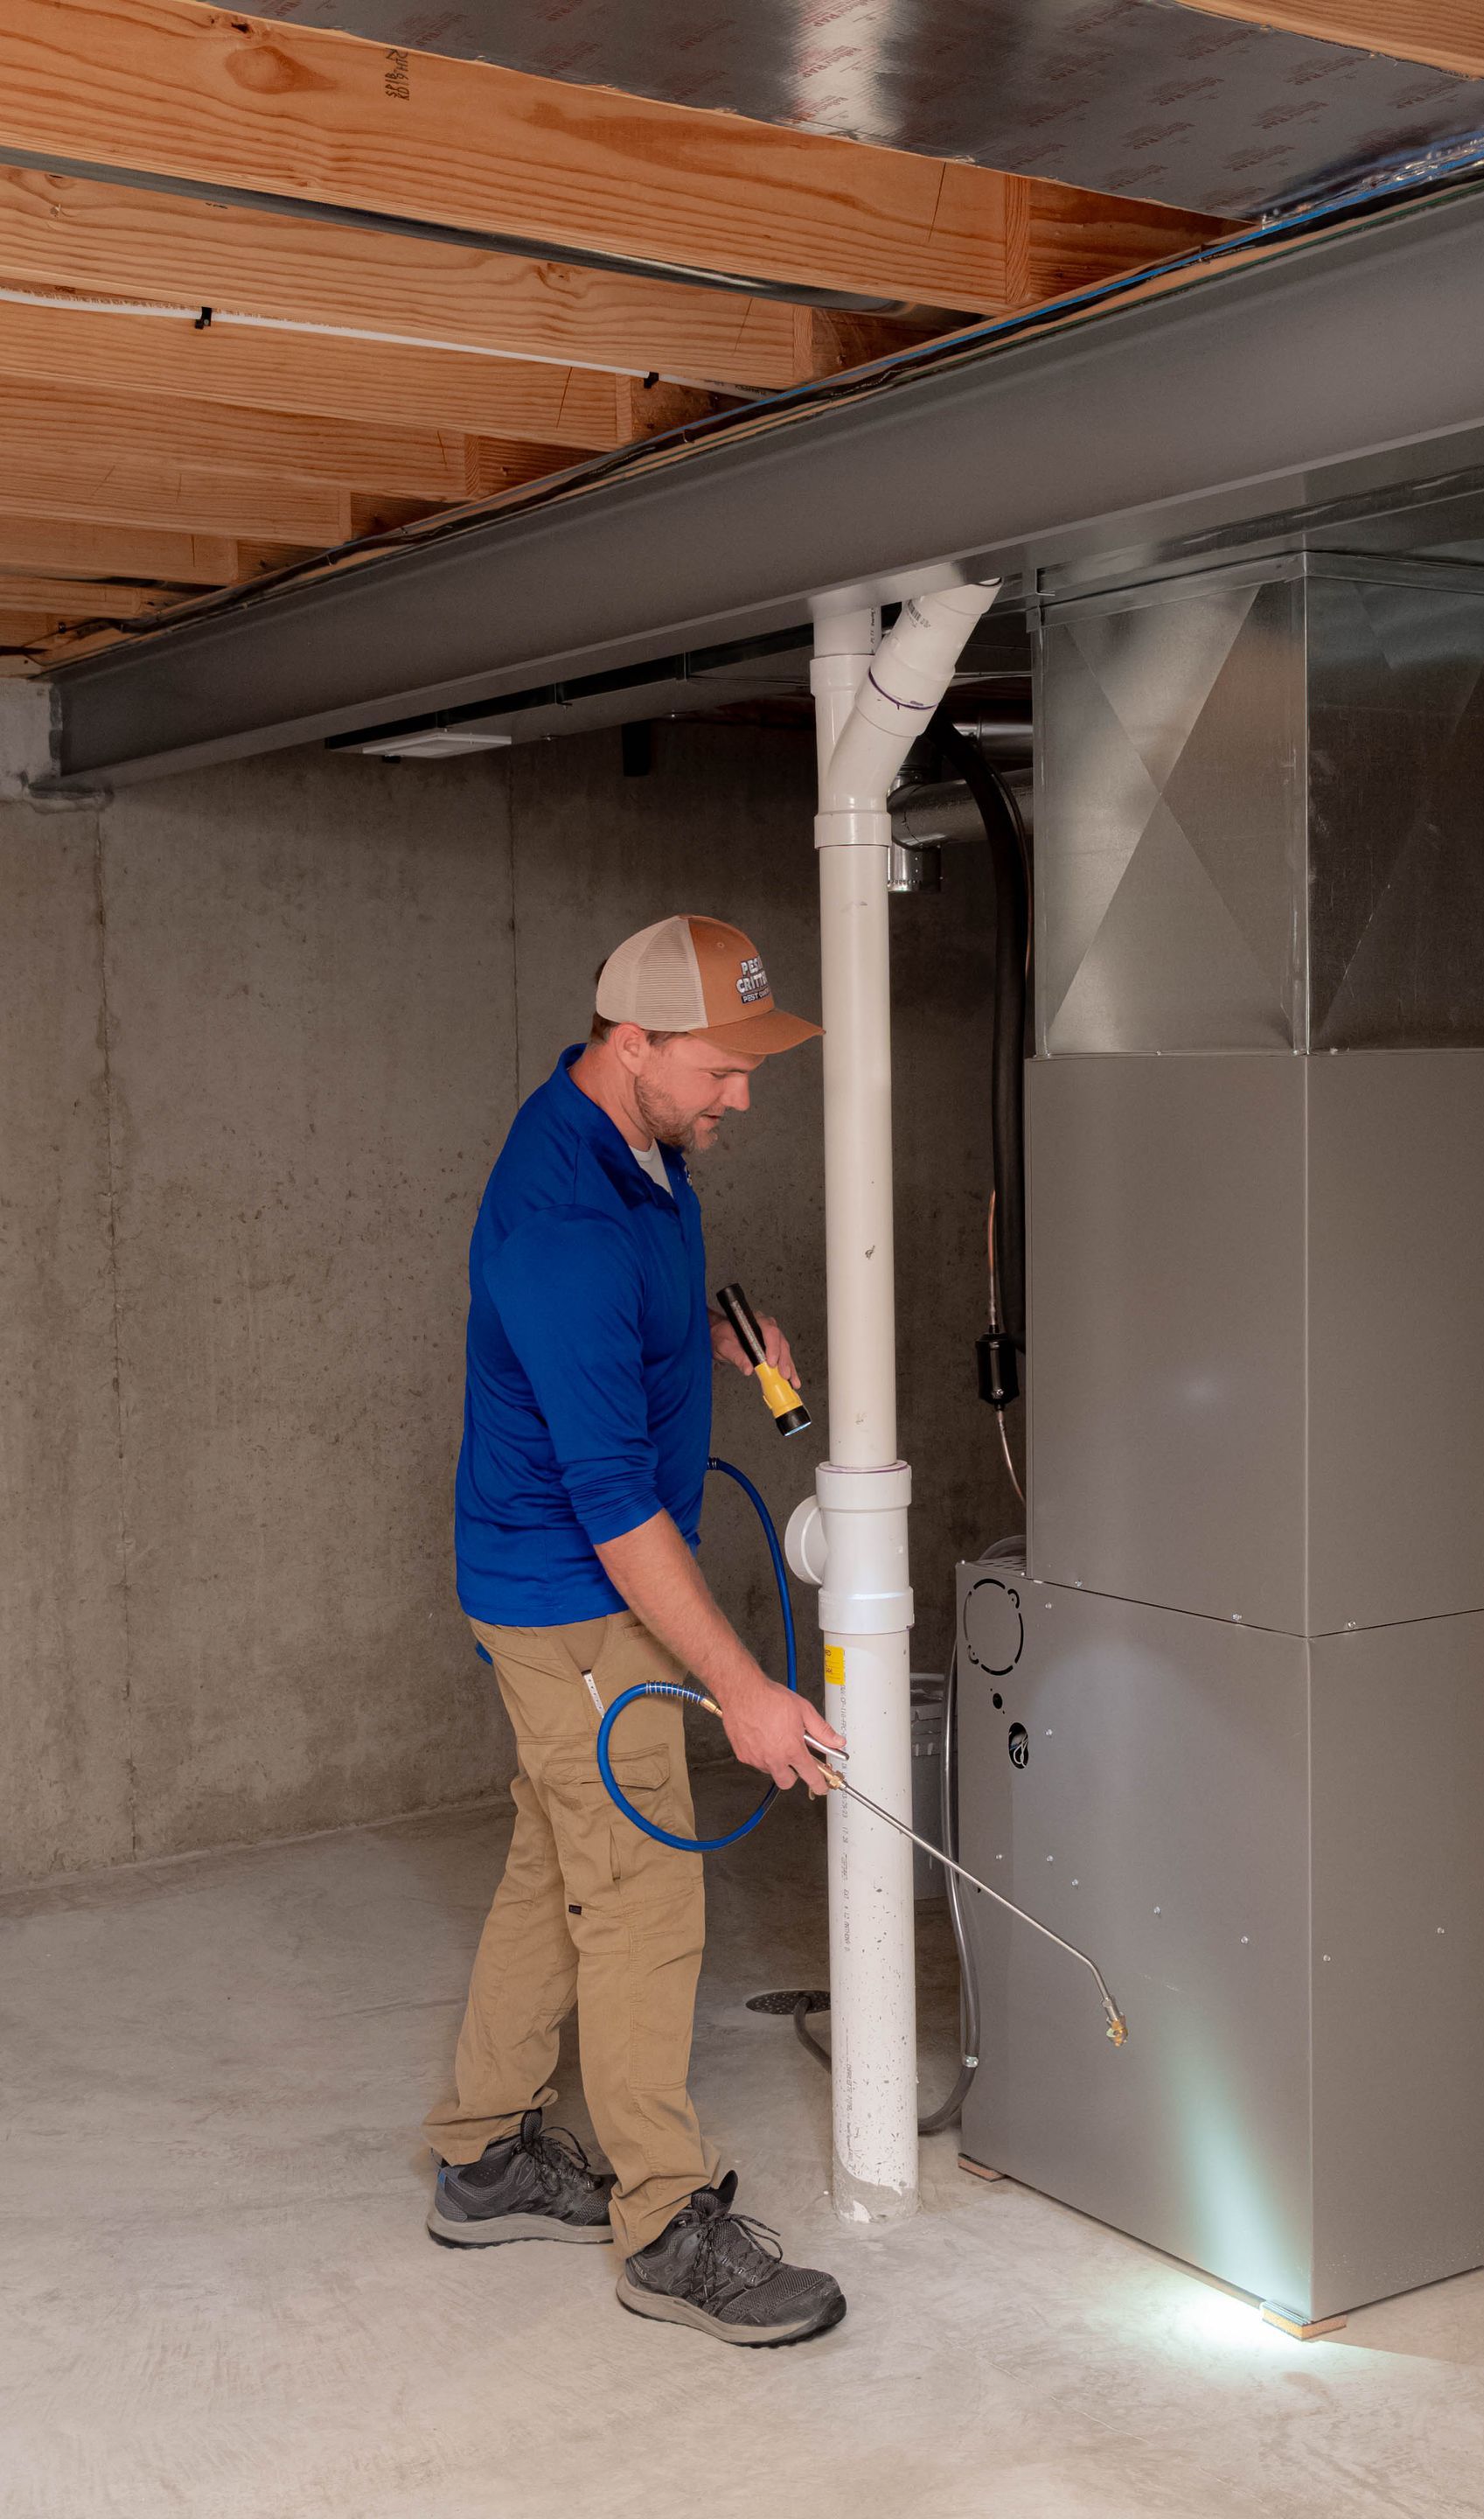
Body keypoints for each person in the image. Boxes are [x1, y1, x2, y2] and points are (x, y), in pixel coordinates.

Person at [423, 914, 848, 2348]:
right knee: (649, 1892)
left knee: (562, 1865)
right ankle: (666, 2226)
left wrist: (701, 1341)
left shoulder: (642, 1146)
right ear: (633, 1045)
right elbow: (608, 1501)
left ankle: (482, 2153)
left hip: (587, 1573)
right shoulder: (565, 1221)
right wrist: (745, 1691)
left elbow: (616, 1339)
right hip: (577, 1593)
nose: (742, 1098)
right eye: (721, 1072)